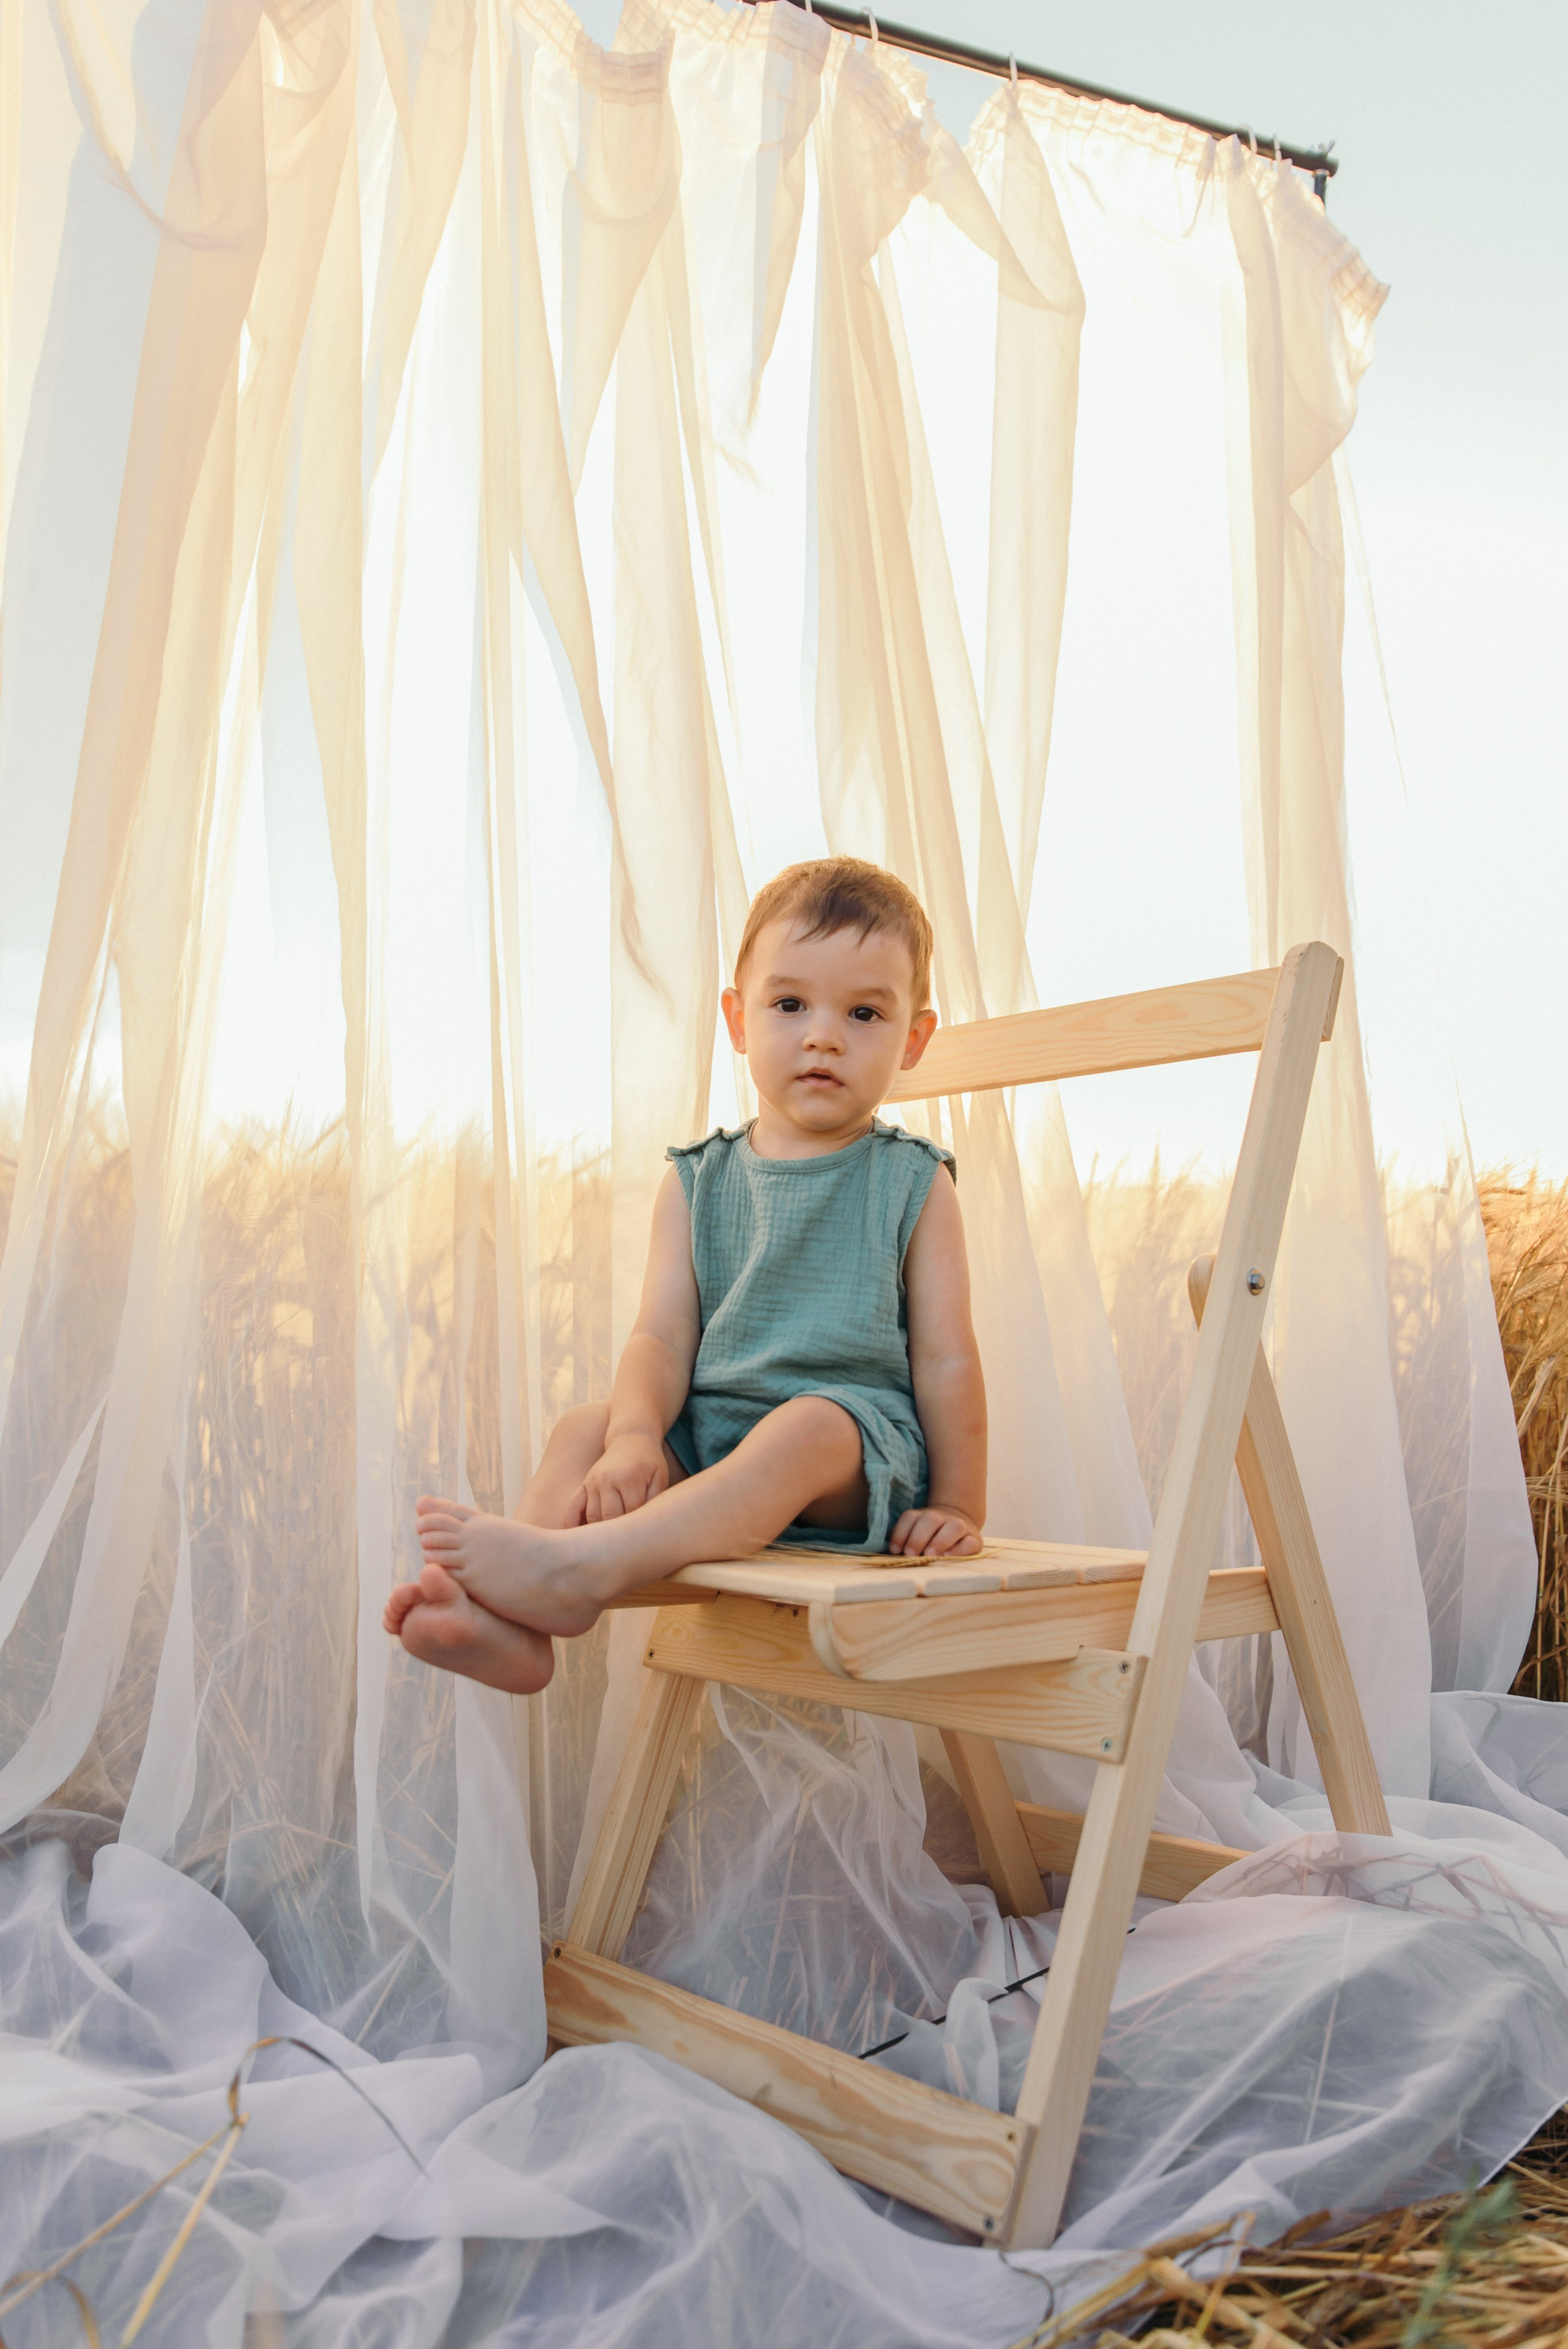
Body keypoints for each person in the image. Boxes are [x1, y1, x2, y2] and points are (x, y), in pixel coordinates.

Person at [384, 857, 987, 1694]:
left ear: (912, 1039)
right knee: (583, 1427)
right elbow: (661, 1335)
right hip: (712, 1446)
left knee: (807, 1423)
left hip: (849, 1459)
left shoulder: (914, 1182)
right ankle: (509, 1619)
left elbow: (949, 1357)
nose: (823, 1035)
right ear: (739, 1021)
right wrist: (635, 1437)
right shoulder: (699, 1179)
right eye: (790, 1004)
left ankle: (580, 1571)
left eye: (864, 1012)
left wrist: (957, 1505)